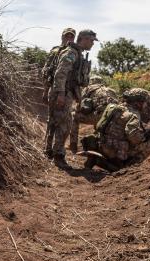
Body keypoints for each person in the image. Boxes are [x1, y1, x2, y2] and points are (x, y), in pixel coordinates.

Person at [46, 29, 97, 168]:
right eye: (91, 40)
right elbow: (60, 74)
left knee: (58, 123)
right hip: (62, 93)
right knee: (64, 125)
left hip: (65, 92)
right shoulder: (71, 53)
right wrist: (61, 94)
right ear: (84, 39)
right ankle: (59, 157)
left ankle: (50, 152)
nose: (92, 44)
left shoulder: (76, 53)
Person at [82, 88, 150, 171]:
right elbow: (134, 138)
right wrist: (145, 136)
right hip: (115, 152)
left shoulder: (113, 107)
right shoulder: (133, 115)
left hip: (100, 144)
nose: (146, 105)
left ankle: (94, 159)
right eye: (145, 103)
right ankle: (128, 168)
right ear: (139, 103)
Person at [42, 28, 76, 160]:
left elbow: (46, 72)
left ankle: (48, 148)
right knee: (61, 122)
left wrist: (47, 91)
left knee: (53, 120)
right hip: (60, 91)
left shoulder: (55, 51)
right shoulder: (65, 52)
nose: (69, 38)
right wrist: (47, 91)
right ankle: (57, 151)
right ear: (62, 37)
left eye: (71, 36)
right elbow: (48, 72)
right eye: (67, 36)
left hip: (54, 91)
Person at [69, 75, 118, 152]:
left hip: (99, 117)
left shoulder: (88, 89)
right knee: (100, 115)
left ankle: (73, 145)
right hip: (114, 118)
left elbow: (79, 107)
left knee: (73, 116)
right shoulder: (111, 90)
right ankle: (99, 146)